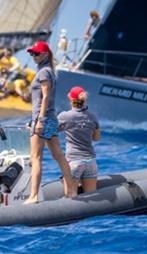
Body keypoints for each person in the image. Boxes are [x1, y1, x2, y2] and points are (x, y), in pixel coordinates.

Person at [24, 40, 76, 203]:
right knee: (58, 155)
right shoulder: (46, 70)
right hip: (50, 119)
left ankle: (34, 196)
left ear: (45, 55)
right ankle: (72, 191)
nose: (33, 56)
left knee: (36, 157)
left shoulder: (44, 72)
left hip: (44, 120)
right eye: (32, 53)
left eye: (36, 53)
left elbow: (46, 96)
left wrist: (39, 120)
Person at [58, 86, 101, 194]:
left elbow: (51, 130)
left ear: (70, 98)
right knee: (92, 197)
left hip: (74, 161)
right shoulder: (92, 117)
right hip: (91, 162)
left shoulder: (65, 116)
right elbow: (96, 138)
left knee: (71, 199)